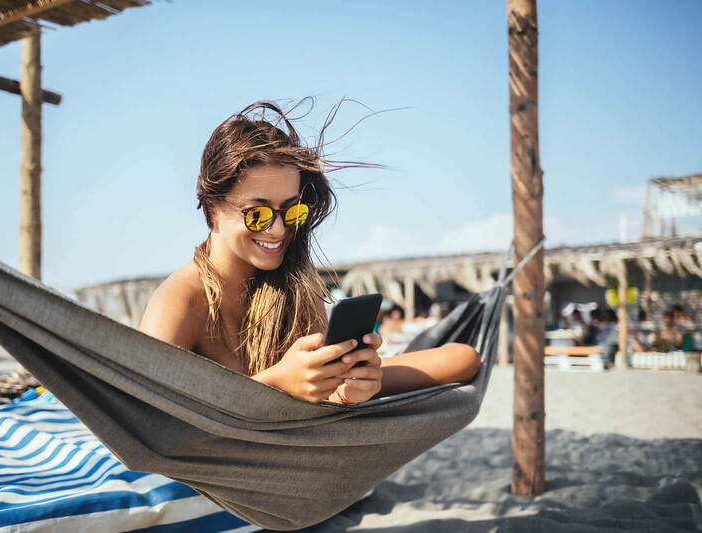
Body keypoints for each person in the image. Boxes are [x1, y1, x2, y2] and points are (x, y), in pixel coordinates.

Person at [139, 101, 480, 405]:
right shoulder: (181, 301)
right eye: (257, 214)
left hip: (298, 452)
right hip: (223, 461)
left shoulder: (292, 283)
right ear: (213, 208)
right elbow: (149, 418)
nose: (277, 230)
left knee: (463, 359)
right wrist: (276, 384)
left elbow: (321, 389)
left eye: (292, 212)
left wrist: (351, 385)